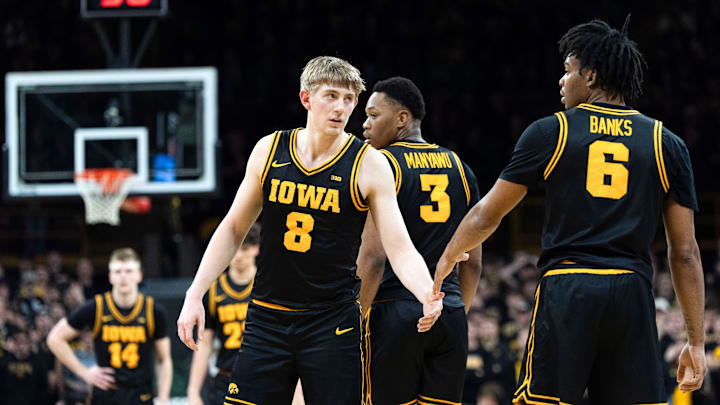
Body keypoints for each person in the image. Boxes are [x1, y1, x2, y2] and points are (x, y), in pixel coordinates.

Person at [434, 17, 706, 404]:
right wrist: (695, 341)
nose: (562, 81)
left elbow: (486, 216)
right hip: (631, 291)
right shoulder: (668, 143)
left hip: (569, 287)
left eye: (568, 71)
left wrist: (445, 261)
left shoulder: (552, 131)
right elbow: (685, 251)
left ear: (591, 76)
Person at [176, 56, 444, 405]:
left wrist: (426, 292)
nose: (342, 108)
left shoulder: (370, 164)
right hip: (268, 316)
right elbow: (232, 228)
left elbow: (400, 247)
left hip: (332, 322)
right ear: (306, 98)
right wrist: (195, 293)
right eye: (331, 96)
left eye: (349, 99)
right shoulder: (270, 150)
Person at [357, 76, 482, 405]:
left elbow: (372, 260)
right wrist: (455, 312)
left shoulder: (382, 165)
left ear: (402, 119)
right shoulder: (461, 167)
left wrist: (353, 323)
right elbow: (474, 264)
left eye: (373, 115)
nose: (364, 124)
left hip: (393, 313)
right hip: (450, 313)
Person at [47, 248, 173, 405]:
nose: (123, 276)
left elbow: (164, 359)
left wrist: (163, 398)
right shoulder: (97, 307)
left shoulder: (153, 311)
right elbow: (54, 338)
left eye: (129, 271)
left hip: (141, 395)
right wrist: (84, 373)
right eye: (118, 271)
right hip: (106, 393)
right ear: (110, 276)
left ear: (139, 275)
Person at [186, 223, 259, 404]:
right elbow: (204, 345)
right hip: (227, 377)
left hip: (263, 378)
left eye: (245, 248)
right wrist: (193, 390)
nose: (239, 256)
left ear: (256, 249)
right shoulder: (214, 291)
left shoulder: (267, 286)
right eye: (236, 249)